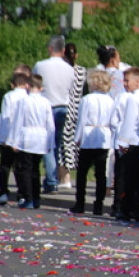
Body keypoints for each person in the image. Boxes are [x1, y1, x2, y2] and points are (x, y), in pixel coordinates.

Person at [33, 35, 76, 193]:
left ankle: (51, 180)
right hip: (63, 107)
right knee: (56, 144)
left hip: (47, 106)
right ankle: (53, 176)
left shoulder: (40, 65)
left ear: (50, 48)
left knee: (47, 145)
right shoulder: (70, 69)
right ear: (63, 50)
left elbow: (34, 83)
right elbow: (71, 89)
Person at [113, 67, 139, 220]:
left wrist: (122, 141)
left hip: (133, 141)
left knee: (131, 177)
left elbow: (129, 122)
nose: (125, 84)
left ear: (137, 82)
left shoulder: (132, 99)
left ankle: (136, 205)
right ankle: (131, 207)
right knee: (136, 176)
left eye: (127, 80)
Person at [8, 74, 55, 210]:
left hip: (27, 136)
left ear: (27, 86)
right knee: (36, 170)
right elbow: (50, 125)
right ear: (41, 88)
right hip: (41, 137)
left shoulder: (23, 101)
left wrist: (13, 141)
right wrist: (50, 143)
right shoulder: (46, 102)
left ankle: (28, 198)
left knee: (26, 170)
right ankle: (36, 198)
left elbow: (18, 122)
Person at [72, 70, 115, 215]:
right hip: (104, 135)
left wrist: (77, 138)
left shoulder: (87, 99)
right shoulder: (110, 100)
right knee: (100, 173)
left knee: (82, 172)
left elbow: (82, 119)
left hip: (89, 136)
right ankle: (98, 205)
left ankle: (80, 203)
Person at [0, 69, 31, 205]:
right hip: (23, 136)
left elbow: (6, 117)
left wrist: (4, 138)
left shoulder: (9, 96)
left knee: (5, 165)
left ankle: (3, 193)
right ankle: (22, 194)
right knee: (21, 167)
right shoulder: (28, 97)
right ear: (26, 84)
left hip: (10, 135)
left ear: (13, 84)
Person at [59, 43, 87, 189]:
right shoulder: (82, 71)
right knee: (73, 143)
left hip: (65, 107)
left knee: (63, 145)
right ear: (76, 55)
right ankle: (67, 175)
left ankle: (65, 177)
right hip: (78, 109)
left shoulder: (63, 71)